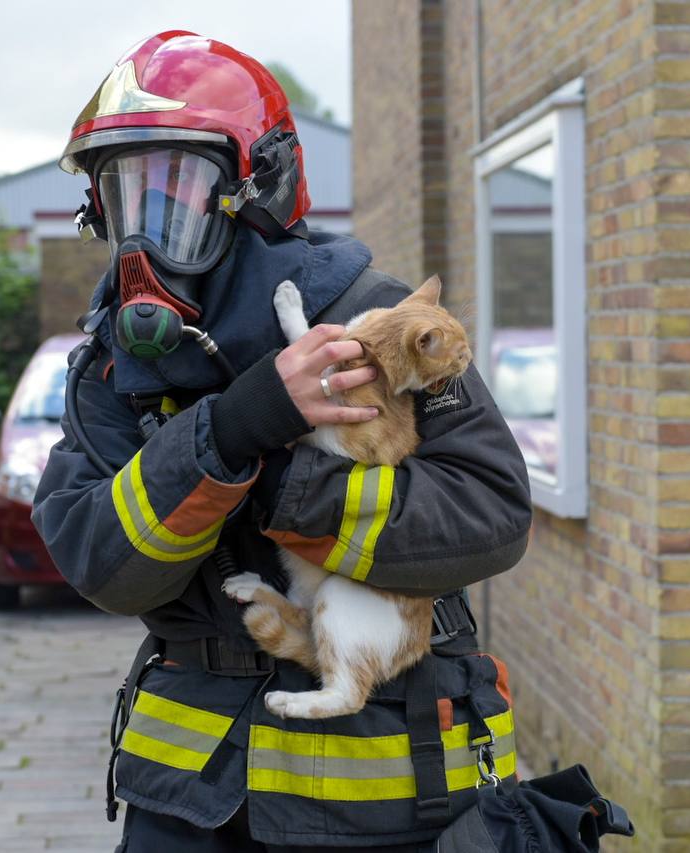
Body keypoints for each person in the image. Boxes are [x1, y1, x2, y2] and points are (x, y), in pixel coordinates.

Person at [30, 32, 532, 852]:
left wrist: (290, 485)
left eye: (177, 186)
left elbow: (492, 513)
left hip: (394, 797)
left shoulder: (373, 318)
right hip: (193, 806)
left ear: (257, 186)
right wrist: (234, 426)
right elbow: (101, 562)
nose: (145, 236)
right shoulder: (112, 367)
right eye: (125, 194)